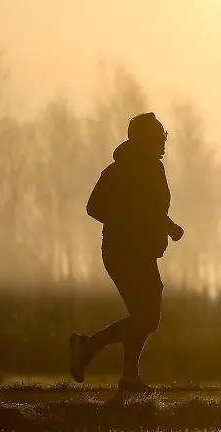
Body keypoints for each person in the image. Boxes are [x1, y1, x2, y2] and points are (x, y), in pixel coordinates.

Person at [69, 112, 184, 392]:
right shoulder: (118, 171)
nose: (163, 142)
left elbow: (151, 210)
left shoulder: (153, 168)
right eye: (158, 136)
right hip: (124, 252)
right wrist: (129, 221)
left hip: (141, 252)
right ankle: (89, 346)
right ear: (144, 140)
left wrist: (168, 227)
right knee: (146, 318)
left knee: (142, 317)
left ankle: (129, 378)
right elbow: (94, 207)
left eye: (164, 136)